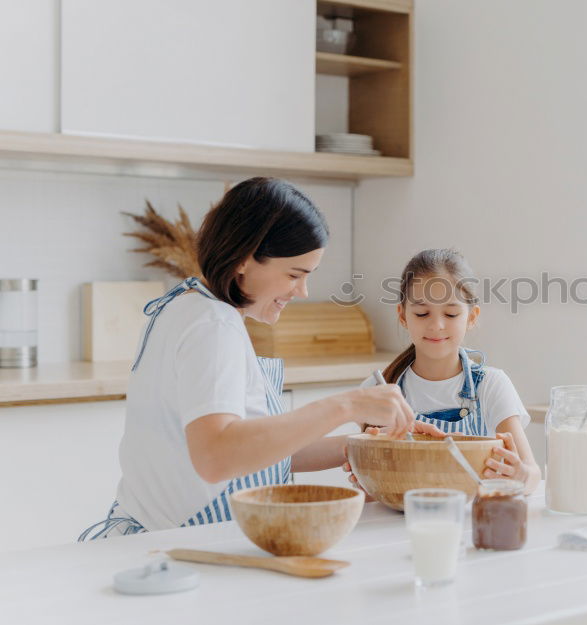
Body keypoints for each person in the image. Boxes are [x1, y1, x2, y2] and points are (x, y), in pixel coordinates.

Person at [79, 177, 437, 539]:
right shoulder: (214, 326)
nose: (302, 291)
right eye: (294, 275)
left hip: (159, 541)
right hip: (184, 547)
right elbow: (217, 457)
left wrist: (366, 446)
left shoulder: (186, 306)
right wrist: (347, 405)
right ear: (246, 259)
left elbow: (256, 454)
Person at [350, 248, 541, 494]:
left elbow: (532, 474)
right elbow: (371, 488)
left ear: (471, 317)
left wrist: (521, 476)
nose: (436, 325)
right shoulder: (380, 388)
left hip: (472, 523)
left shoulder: (491, 385)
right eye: (422, 313)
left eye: (451, 313)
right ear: (403, 315)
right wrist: (368, 482)